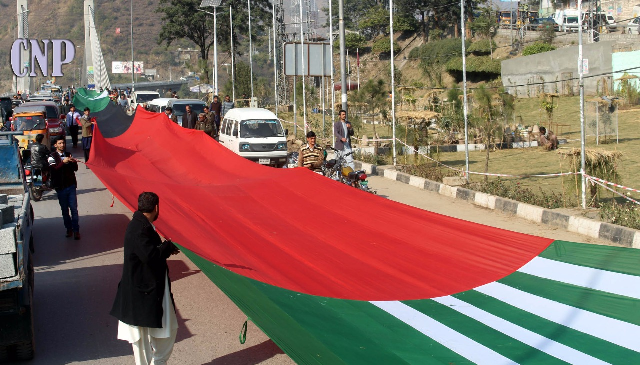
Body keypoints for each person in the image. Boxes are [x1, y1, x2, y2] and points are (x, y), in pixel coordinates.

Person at [110, 192, 180, 365]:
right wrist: (167, 247)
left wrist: (167, 248)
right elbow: (150, 256)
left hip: (147, 293)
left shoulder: (141, 224)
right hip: (141, 295)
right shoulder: (139, 228)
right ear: (156, 208)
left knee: (162, 333)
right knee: (142, 343)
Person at [48, 137, 80, 240]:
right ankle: (69, 229)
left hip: (70, 186)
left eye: (63, 143)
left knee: (74, 209)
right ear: (55, 145)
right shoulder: (51, 157)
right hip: (61, 188)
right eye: (60, 143)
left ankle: (76, 230)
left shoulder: (68, 154)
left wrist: (73, 162)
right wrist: (63, 162)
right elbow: (54, 169)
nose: (62, 145)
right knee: (65, 211)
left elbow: (75, 169)